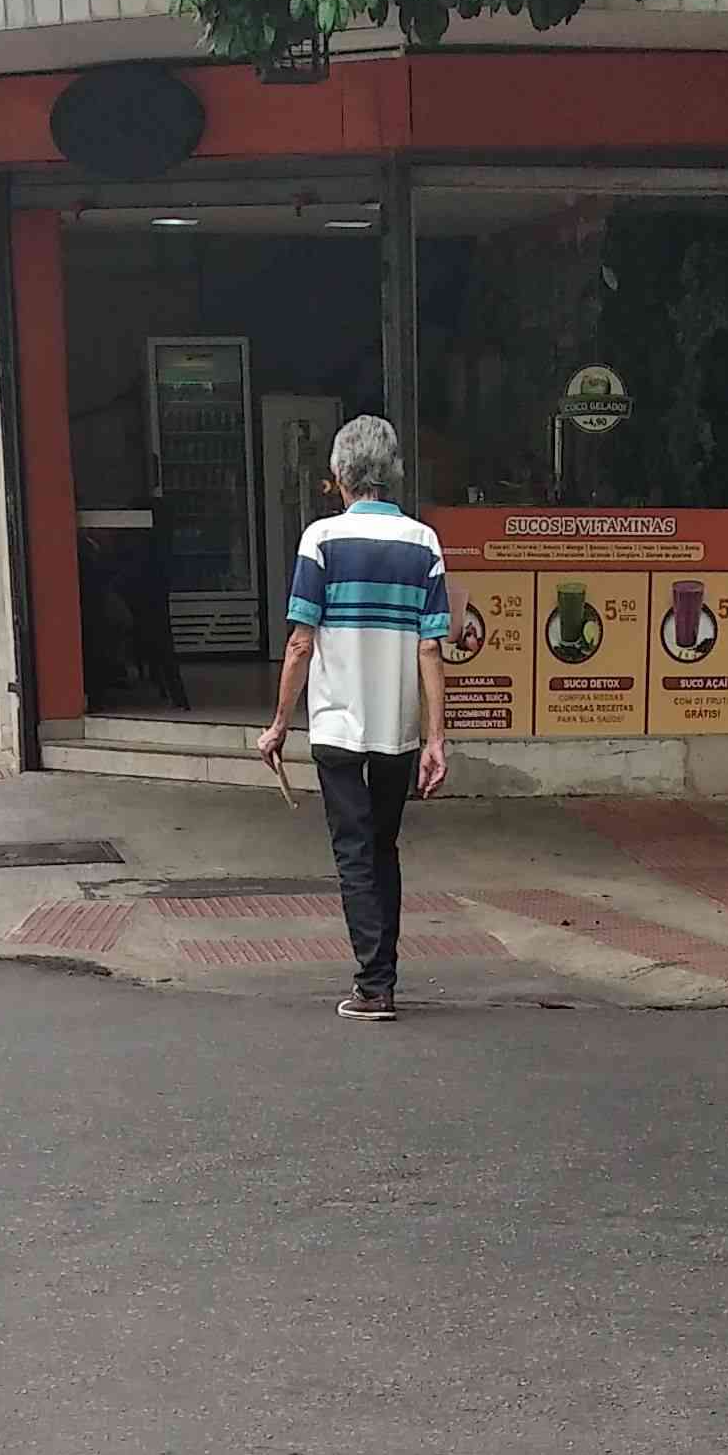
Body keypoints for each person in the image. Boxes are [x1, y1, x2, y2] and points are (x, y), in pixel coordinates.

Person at [254, 416, 450, 1021]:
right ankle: (381, 977)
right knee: (383, 847)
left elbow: (300, 643)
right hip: (398, 728)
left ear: (340, 474)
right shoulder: (424, 543)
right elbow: (430, 648)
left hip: (337, 724)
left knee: (354, 852)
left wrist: (279, 724)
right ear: (393, 474)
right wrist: (436, 739)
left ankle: (374, 986)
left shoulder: (321, 540)